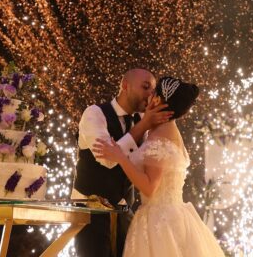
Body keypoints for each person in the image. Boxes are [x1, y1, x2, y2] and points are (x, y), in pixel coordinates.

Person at [93, 77, 225, 257]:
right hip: (169, 215)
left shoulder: (161, 135)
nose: (148, 95)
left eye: (153, 92)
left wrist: (121, 157)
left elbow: (149, 187)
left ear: (159, 100)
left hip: (160, 222)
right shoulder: (164, 129)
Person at [73, 69, 174, 257]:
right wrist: (143, 126)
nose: (150, 94)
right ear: (125, 86)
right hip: (89, 215)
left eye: (153, 90)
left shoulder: (143, 122)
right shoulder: (94, 113)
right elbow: (106, 159)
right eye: (145, 87)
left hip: (126, 216)